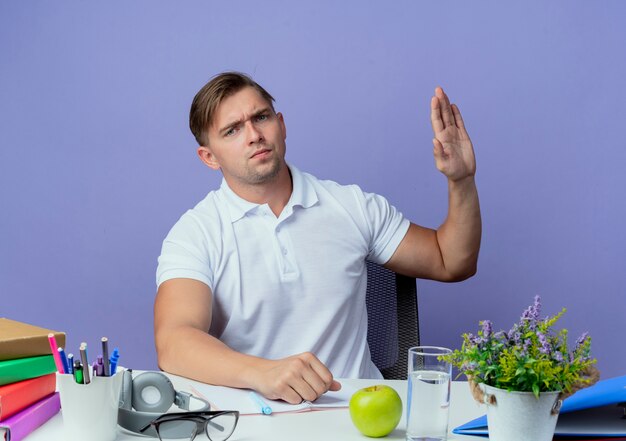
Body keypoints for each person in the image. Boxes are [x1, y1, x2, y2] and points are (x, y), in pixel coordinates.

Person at [154, 72, 481, 404]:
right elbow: (174, 341)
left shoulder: (352, 206)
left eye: (261, 117)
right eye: (232, 130)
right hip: (255, 418)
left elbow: (451, 261)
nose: (254, 135)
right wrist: (263, 373)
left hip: (358, 414)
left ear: (281, 125)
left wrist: (461, 180)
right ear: (209, 157)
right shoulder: (195, 233)